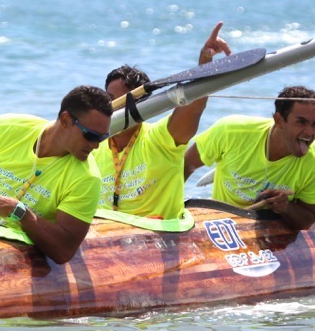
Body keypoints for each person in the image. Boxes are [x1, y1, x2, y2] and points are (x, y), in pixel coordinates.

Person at [0, 85, 111, 264]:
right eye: (91, 136)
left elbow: (63, 251)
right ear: (66, 119)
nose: (96, 146)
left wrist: (19, 213)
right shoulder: (5, 129)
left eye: (102, 138)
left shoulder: (87, 178)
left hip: (23, 256)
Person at [94, 23, 232, 219]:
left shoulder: (162, 140)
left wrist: (205, 61)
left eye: (122, 101)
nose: (113, 106)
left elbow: (193, 105)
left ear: (143, 106)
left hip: (157, 240)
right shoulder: (92, 146)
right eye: (109, 99)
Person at [183, 86, 315, 232]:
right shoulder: (231, 131)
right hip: (221, 225)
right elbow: (185, 166)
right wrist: (169, 211)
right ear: (279, 120)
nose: (310, 132)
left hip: (268, 234)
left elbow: (308, 220)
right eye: (301, 122)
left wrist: (286, 208)